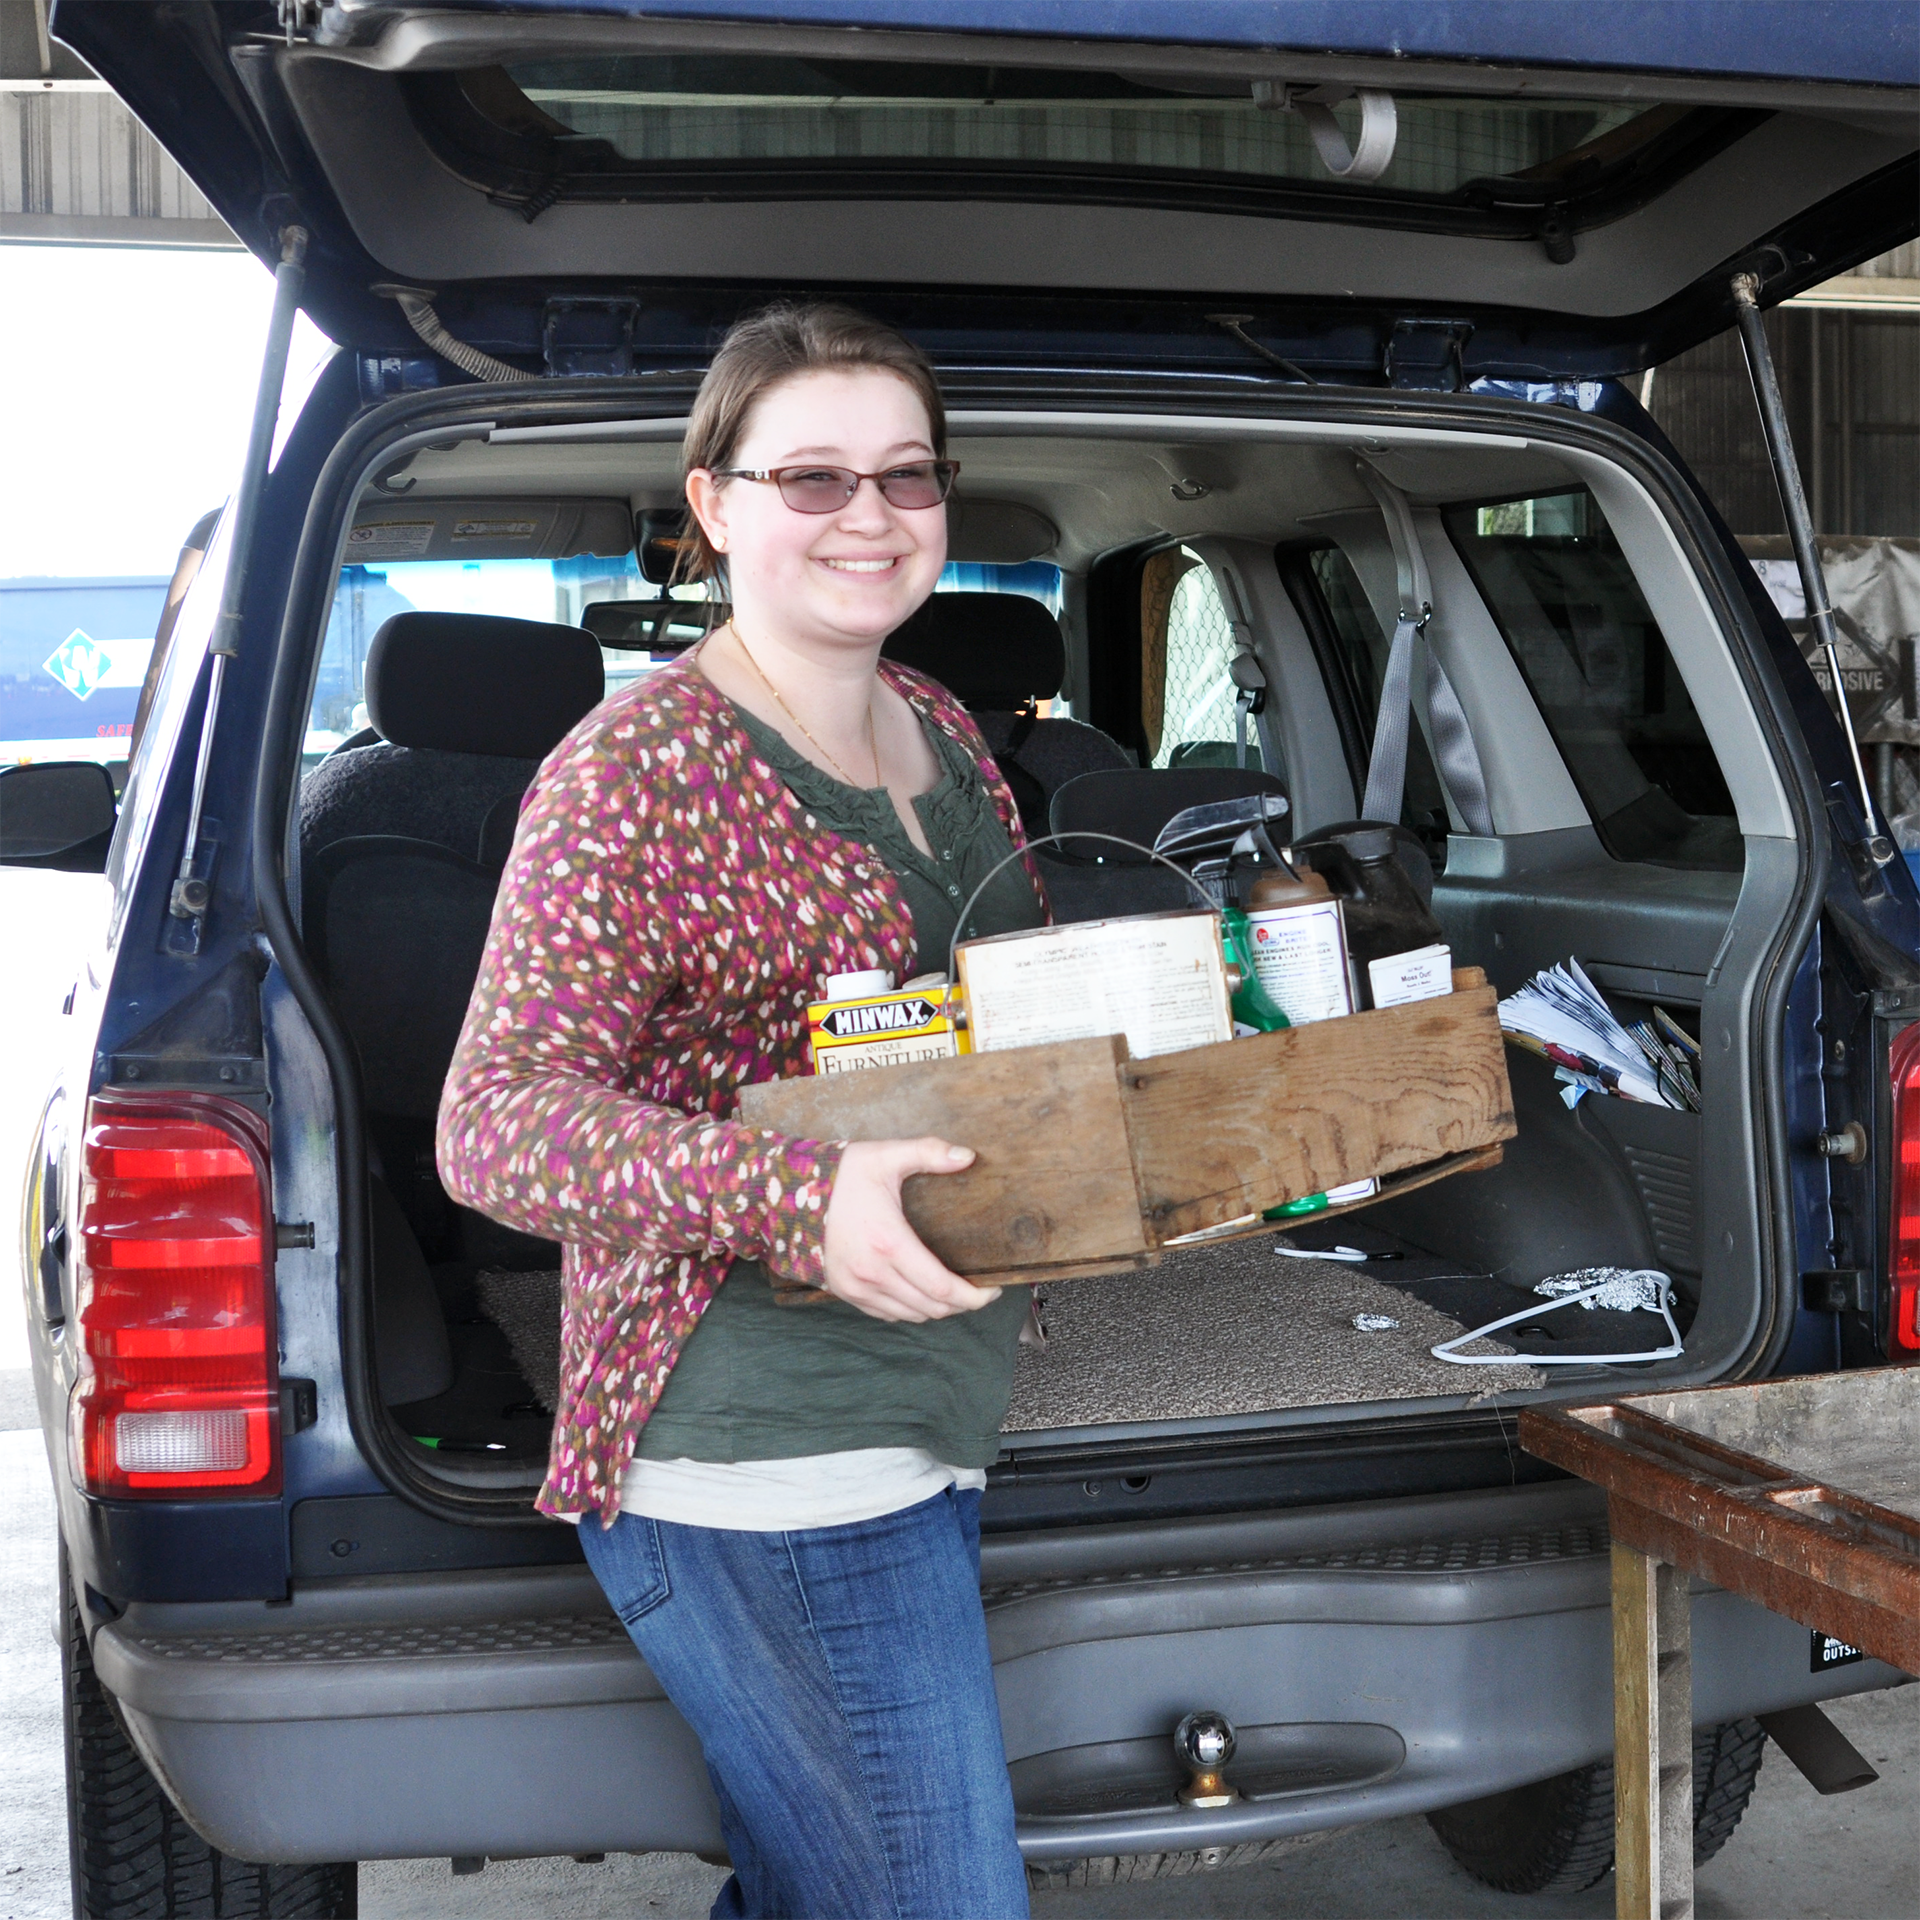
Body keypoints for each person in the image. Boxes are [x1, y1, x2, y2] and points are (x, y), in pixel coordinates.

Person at [437, 300, 1045, 1920]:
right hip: (757, 1446)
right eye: (814, 478)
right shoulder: (633, 770)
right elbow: (492, 1120)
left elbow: (996, 1030)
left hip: (930, 1397)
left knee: (813, 1883)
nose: (870, 516)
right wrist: (801, 1197)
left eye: (907, 477)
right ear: (713, 505)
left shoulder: (948, 731)